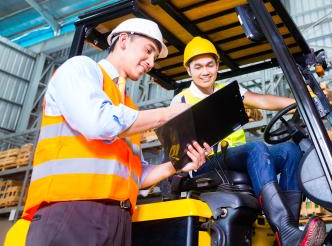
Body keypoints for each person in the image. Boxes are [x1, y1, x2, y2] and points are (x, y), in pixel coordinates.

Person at [21, 18, 211, 246]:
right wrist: (169, 114)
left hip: (118, 219)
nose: (151, 62)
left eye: (154, 58)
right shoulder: (80, 69)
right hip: (72, 212)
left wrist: (178, 165)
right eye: (148, 51)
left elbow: (136, 176)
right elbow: (97, 123)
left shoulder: (129, 108)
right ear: (123, 40)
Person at [171, 36, 327, 246]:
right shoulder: (181, 100)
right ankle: (284, 227)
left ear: (217, 66)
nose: (205, 71)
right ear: (189, 70)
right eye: (198, 67)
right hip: (203, 162)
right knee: (256, 148)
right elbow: (176, 147)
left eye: (209, 65)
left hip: (234, 157)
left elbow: (262, 100)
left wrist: (303, 103)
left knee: (290, 150)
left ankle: (288, 232)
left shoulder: (227, 91)